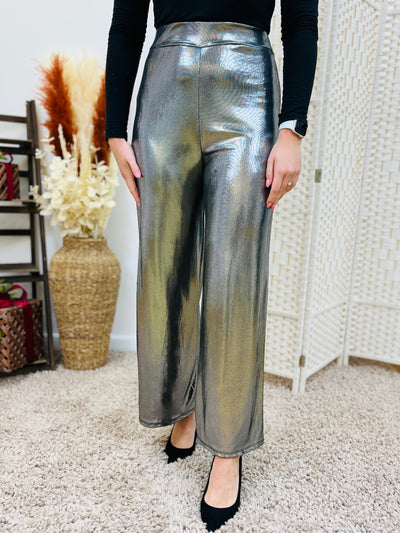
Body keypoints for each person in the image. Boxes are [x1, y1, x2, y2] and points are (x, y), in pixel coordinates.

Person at [105, 1, 318, 530]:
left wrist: (292, 127)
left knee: (234, 277)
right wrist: (114, 128)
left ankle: (227, 449)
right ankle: (184, 409)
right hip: (164, 85)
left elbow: (301, 20)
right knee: (164, 266)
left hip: (248, 87)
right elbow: (127, 21)